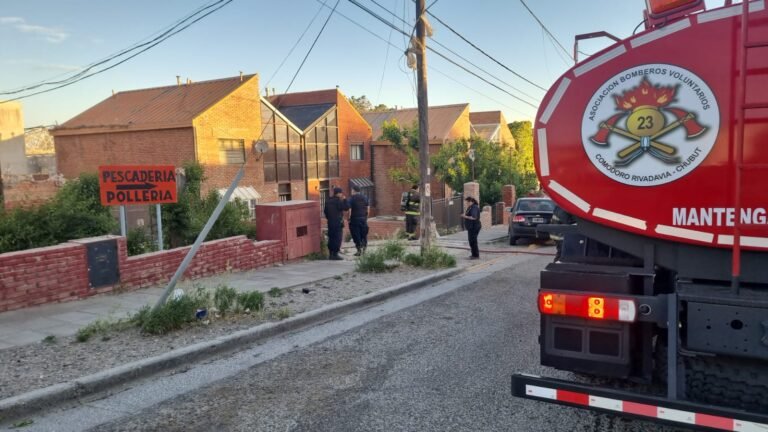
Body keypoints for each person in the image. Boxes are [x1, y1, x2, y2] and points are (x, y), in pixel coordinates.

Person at [324, 187, 349, 261]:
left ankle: (331, 253)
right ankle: (335, 254)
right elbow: (346, 208)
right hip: (338, 222)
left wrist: (330, 219)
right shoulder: (338, 201)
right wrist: (345, 200)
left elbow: (325, 212)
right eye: (341, 193)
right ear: (338, 193)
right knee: (338, 238)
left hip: (330, 222)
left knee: (331, 237)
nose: (341, 194)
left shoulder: (328, 201)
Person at [348, 185, 369, 256]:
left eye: (351, 190)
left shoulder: (351, 199)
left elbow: (350, 210)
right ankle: (364, 250)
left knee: (356, 234)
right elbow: (368, 208)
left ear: (354, 190)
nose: (351, 191)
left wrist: (349, 218)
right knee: (364, 234)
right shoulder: (365, 197)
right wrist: (366, 217)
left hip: (355, 219)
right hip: (363, 219)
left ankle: (359, 250)